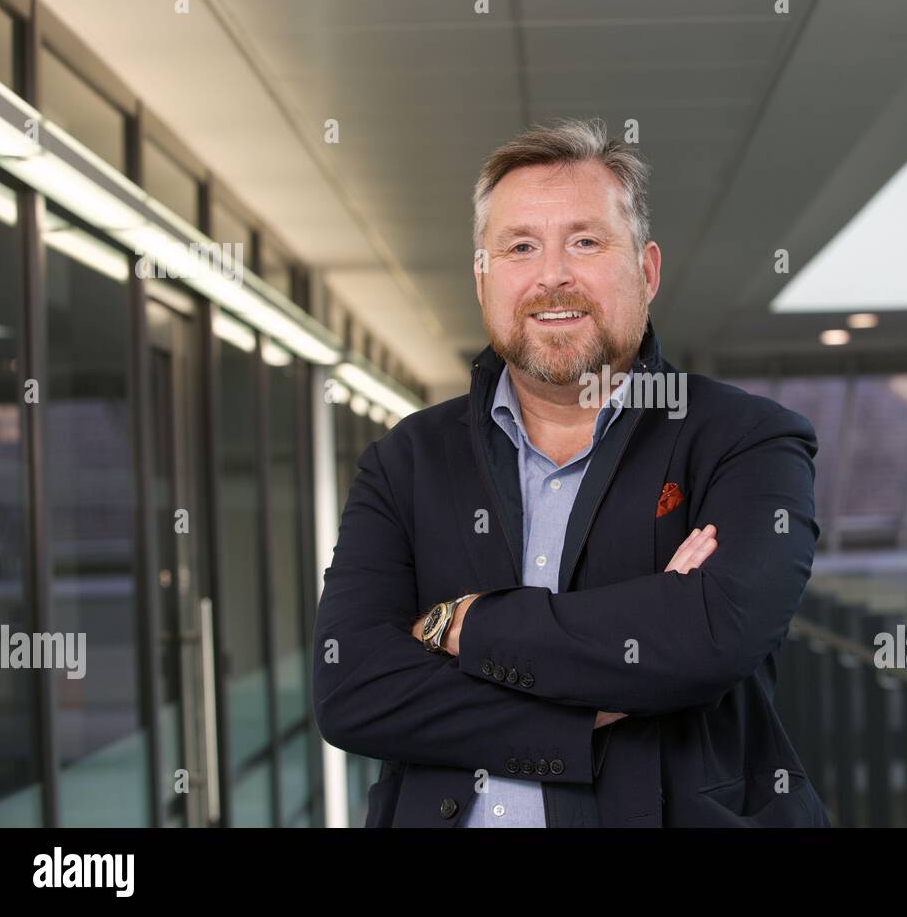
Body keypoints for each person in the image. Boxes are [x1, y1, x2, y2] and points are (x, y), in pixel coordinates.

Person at [312, 116, 830, 827]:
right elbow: (353, 690)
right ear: (483, 277)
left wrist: (466, 625)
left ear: (646, 271)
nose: (552, 274)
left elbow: (713, 637)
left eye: (585, 242)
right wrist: (607, 689)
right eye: (520, 247)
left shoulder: (746, 440)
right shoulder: (405, 462)